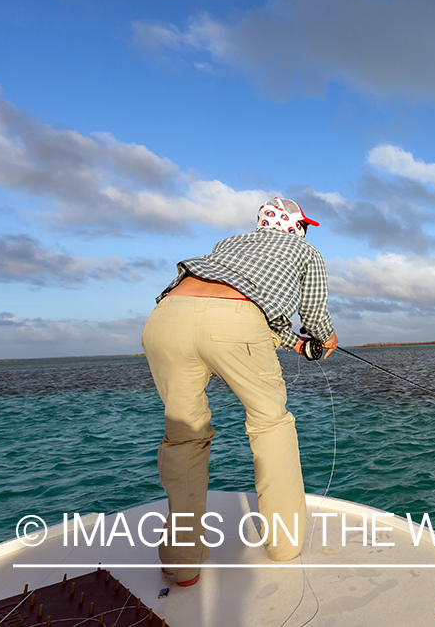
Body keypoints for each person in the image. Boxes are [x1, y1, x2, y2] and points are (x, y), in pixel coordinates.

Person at [141, 197, 338, 587]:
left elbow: (241, 303)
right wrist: (324, 338)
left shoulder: (229, 244)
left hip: (165, 319)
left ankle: (182, 564)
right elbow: (312, 311)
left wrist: (295, 344)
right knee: (270, 426)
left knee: (184, 436)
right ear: (297, 226)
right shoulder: (305, 250)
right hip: (235, 322)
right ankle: (284, 547)